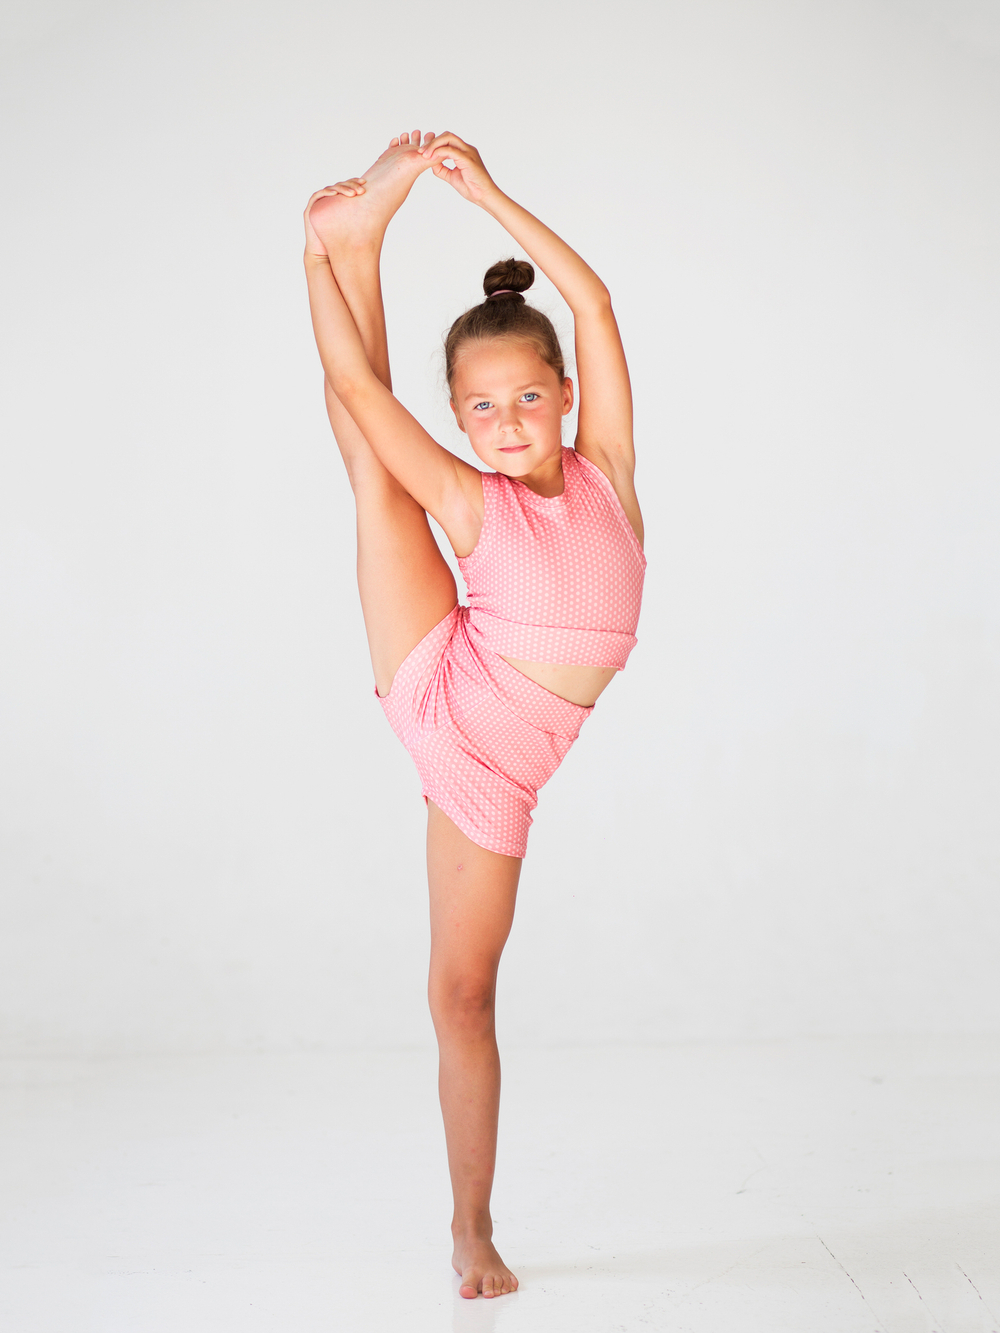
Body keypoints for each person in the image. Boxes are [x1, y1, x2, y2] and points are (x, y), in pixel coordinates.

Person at [303, 130, 645, 1299]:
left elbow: (590, 298)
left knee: (464, 992)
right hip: (449, 708)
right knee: (368, 467)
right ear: (460, 416)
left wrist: (488, 195)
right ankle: (472, 1230)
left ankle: (359, 235)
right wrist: (316, 263)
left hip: (507, 769)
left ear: (565, 397)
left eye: (527, 397)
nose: (505, 420)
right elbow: (358, 393)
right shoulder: (469, 494)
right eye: (479, 406)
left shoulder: (605, 471)